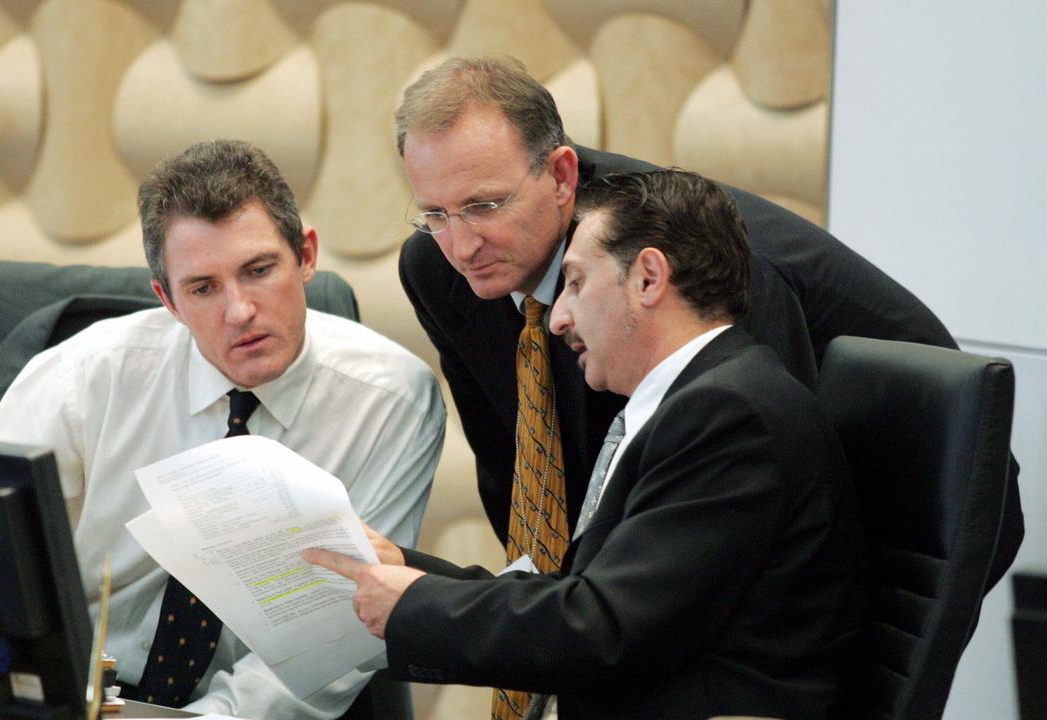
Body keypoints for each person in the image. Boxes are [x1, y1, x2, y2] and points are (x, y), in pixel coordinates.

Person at [395, 55, 1021, 588]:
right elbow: (516, 466)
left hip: (909, 505)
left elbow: (766, 475)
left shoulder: (673, 262)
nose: (462, 245)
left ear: (560, 175)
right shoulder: (438, 269)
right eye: (436, 214)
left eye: (484, 205)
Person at [307, 169, 866, 720]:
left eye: (575, 282)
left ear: (648, 278)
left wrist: (411, 607)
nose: (559, 319)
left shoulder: (729, 415)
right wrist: (404, 568)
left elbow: (605, 630)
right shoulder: (695, 402)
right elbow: (586, 596)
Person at [0, 140, 446, 718]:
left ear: (307, 255)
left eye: (259, 270)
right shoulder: (88, 376)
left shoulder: (390, 402)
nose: (240, 310)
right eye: (203, 288)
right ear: (166, 299)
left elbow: (338, 637)